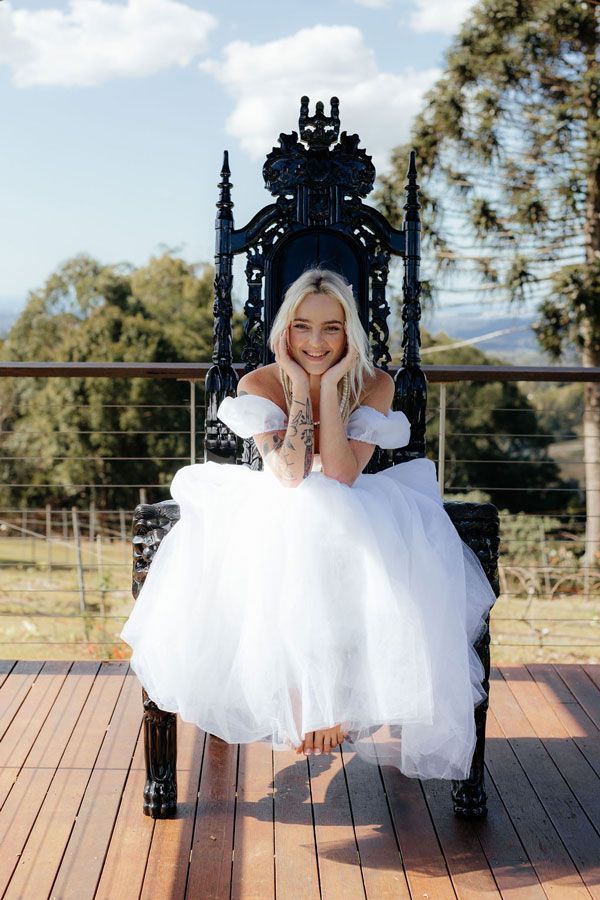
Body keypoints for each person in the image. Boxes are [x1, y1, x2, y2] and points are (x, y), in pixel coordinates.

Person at [119, 268, 496, 779]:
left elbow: (340, 474)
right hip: (278, 497)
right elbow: (291, 474)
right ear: (284, 332)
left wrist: (334, 383)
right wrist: (297, 384)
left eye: (331, 328)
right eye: (302, 327)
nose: (316, 341)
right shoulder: (259, 382)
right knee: (301, 515)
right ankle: (304, 694)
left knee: (329, 515)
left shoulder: (374, 383)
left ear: (349, 333)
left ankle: (329, 697)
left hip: (356, 501)